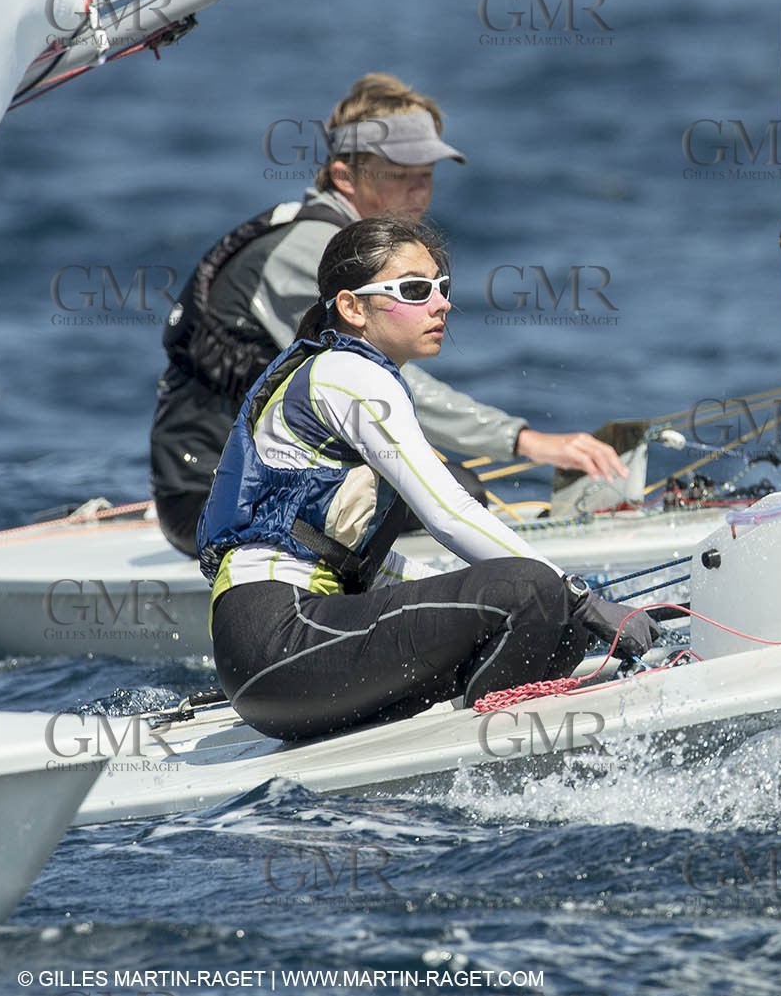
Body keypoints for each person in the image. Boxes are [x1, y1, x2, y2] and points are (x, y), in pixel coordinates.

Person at [197, 215, 661, 742]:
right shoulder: (348, 375)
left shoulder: (353, 375)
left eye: (443, 287)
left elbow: (360, 562)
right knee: (532, 591)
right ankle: (487, 750)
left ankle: (490, 722)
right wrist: (576, 594)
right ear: (352, 308)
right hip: (276, 640)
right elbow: (449, 513)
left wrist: (567, 607)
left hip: (281, 654)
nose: (442, 303)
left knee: (553, 618)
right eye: (416, 290)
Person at [153, 72, 625, 555]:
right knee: (457, 489)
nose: (420, 191)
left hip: (276, 480)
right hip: (208, 499)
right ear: (343, 176)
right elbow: (376, 383)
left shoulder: (354, 249)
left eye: (428, 173)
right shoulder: (310, 252)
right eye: (399, 174)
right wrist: (526, 440)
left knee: (448, 484)